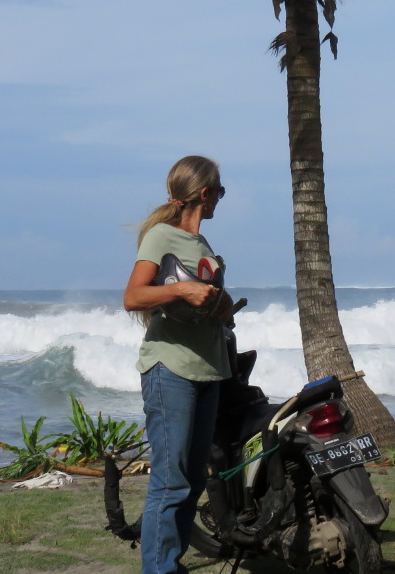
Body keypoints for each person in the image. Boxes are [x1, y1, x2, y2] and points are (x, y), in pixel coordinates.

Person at [123, 155, 235, 574]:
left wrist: (222, 307)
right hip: (170, 370)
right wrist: (185, 291)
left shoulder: (203, 247)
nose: (221, 200)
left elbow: (199, 303)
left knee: (190, 483)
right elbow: (133, 297)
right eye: (220, 192)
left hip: (208, 370)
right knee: (170, 482)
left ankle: (169, 563)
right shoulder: (161, 237)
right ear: (205, 194)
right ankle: (159, 569)